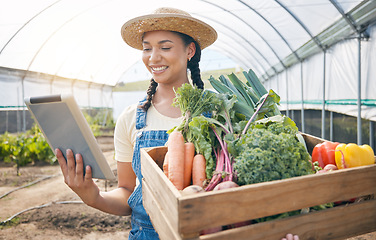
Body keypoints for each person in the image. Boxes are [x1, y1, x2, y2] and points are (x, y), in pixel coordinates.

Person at [55, 7, 299, 240]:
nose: (153, 57)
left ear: (190, 50)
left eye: (165, 47)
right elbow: (128, 192)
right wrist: (93, 196)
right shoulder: (131, 118)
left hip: (208, 231)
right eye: (146, 48)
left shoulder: (220, 113)